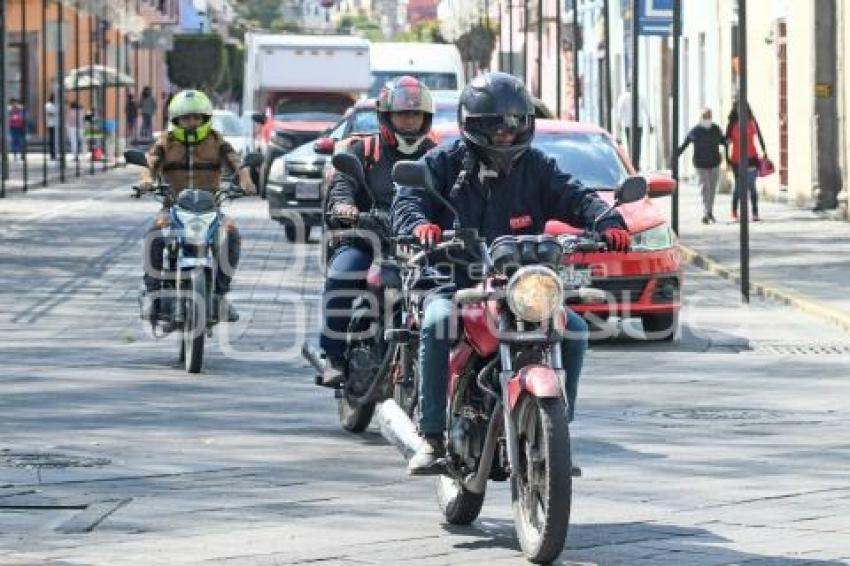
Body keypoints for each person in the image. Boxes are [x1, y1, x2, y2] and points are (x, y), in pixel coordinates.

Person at [392, 72, 632, 475]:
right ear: (473, 125)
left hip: (517, 282)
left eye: (514, 124)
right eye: (495, 126)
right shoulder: (444, 163)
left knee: (573, 331)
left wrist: (608, 221)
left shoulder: (536, 166)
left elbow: (574, 195)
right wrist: (420, 226)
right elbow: (409, 200)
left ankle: (557, 434)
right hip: (454, 279)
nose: (506, 134)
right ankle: (432, 436)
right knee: (436, 322)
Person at [319, 76, 437, 386]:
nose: (410, 120)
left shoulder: (435, 155)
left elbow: (451, 196)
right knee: (342, 274)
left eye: (416, 114)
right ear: (387, 116)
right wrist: (345, 208)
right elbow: (343, 183)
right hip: (366, 239)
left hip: (418, 244)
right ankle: (333, 356)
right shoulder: (364, 149)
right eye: (403, 114)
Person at [138, 89, 256, 323]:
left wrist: (245, 180)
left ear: (204, 119)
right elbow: (148, 162)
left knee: (231, 233)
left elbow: (236, 162)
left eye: (196, 118)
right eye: (185, 118)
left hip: (210, 209)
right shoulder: (166, 141)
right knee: (154, 233)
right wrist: (146, 180)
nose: (191, 123)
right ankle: (152, 294)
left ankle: (221, 295)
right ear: (176, 120)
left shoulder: (216, 140)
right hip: (173, 208)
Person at [676, 108, 726, 224]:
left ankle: (710, 212)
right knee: (705, 187)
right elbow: (685, 144)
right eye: (704, 117)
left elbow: (723, 141)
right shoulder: (695, 131)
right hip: (700, 164)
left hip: (714, 163)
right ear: (700, 118)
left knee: (712, 189)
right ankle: (705, 212)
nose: (707, 119)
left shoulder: (715, 129)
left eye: (708, 117)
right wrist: (676, 155)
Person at [725, 102, 767, 222]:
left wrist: (764, 152)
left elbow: (760, 136)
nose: (741, 111)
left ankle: (755, 212)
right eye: (738, 109)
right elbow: (726, 141)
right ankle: (734, 213)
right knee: (737, 187)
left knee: (751, 186)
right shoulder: (732, 124)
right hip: (736, 160)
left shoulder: (752, 122)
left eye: (743, 108)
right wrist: (727, 158)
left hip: (751, 158)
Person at [615, 87, 653, 170]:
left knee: (630, 144)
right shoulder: (640, 96)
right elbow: (647, 111)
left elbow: (619, 112)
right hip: (639, 124)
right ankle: (636, 163)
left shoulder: (623, 97)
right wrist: (650, 124)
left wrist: (619, 125)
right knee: (638, 144)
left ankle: (632, 164)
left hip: (628, 124)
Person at [45, 94, 58, 160]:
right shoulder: (48, 105)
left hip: (57, 124)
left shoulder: (57, 104)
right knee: (52, 140)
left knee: (57, 140)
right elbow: (50, 113)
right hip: (51, 124)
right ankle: (52, 154)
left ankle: (56, 153)